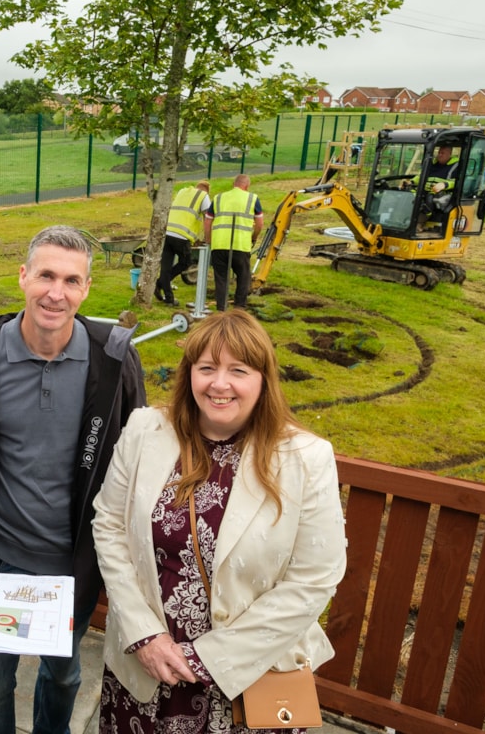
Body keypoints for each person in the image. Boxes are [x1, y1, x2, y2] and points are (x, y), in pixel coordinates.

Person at [92, 309, 347, 733]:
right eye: (206, 367)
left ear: (263, 379)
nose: (219, 383)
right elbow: (109, 526)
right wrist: (143, 635)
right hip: (145, 668)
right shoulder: (145, 430)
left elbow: (315, 578)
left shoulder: (305, 458)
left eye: (238, 370)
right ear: (189, 373)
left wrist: (207, 658)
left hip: (250, 679)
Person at [0, 225, 146, 734]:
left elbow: (136, 459)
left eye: (71, 280)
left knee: (63, 678)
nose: (56, 293)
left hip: (72, 563)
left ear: (86, 288)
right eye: (46, 275)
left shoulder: (114, 361)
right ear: (23, 277)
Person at [205, 174, 263, 310]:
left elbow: (208, 221)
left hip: (219, 244)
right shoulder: (252, 198)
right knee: (243, 277)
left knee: (221, 278)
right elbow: (259, 224)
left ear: (233, 184)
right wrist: (253, 238)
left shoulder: (218, 198)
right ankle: (239, 307)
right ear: (247, 186)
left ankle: (221, 308)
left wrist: (208, 240)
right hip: (241, 245)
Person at [156, 180, 209, 306]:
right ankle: (159, 284)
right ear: (207, 190)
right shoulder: (203, 196)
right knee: (186, 262)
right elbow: (208, 218)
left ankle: (168, 298)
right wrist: (207, 238)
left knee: (166, 267)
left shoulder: (182, 192)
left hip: (167, 232)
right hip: (182, 236)